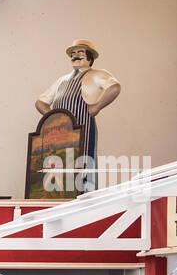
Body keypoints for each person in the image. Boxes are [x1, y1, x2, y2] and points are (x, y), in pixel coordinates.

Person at [35, 38, 121, 195]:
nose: (75, 56)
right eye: (73, 53)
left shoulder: (97, 75)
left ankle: (84, 203)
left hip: (83, 130)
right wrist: (53, 118)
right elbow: (40, 102)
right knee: (59, 169)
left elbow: (114, 87)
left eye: (80, 52)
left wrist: (97, 106)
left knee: (83, 168)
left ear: (89, 56)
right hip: (60, 135)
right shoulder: (62, 80)